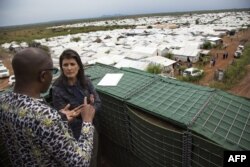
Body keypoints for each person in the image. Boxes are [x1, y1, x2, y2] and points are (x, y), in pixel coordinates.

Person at [0, 48, 95, 166]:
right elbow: (80, 163)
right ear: (43, 76)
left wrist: (61, 118)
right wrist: (87, 122)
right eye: (52, 71)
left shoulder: (3, 101)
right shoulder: (47, 116)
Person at [52, 49, 101, 167]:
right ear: (61, 68)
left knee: (93, 157)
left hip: (92, 127)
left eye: (72, 64)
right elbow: (64, 118)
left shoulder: (86, 81)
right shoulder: (57, 89)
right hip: (74, 134)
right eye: (65, 65)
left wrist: (88, 111)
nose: (69, 68)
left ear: (78, 66)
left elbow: (98, 102)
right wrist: (85, 112)